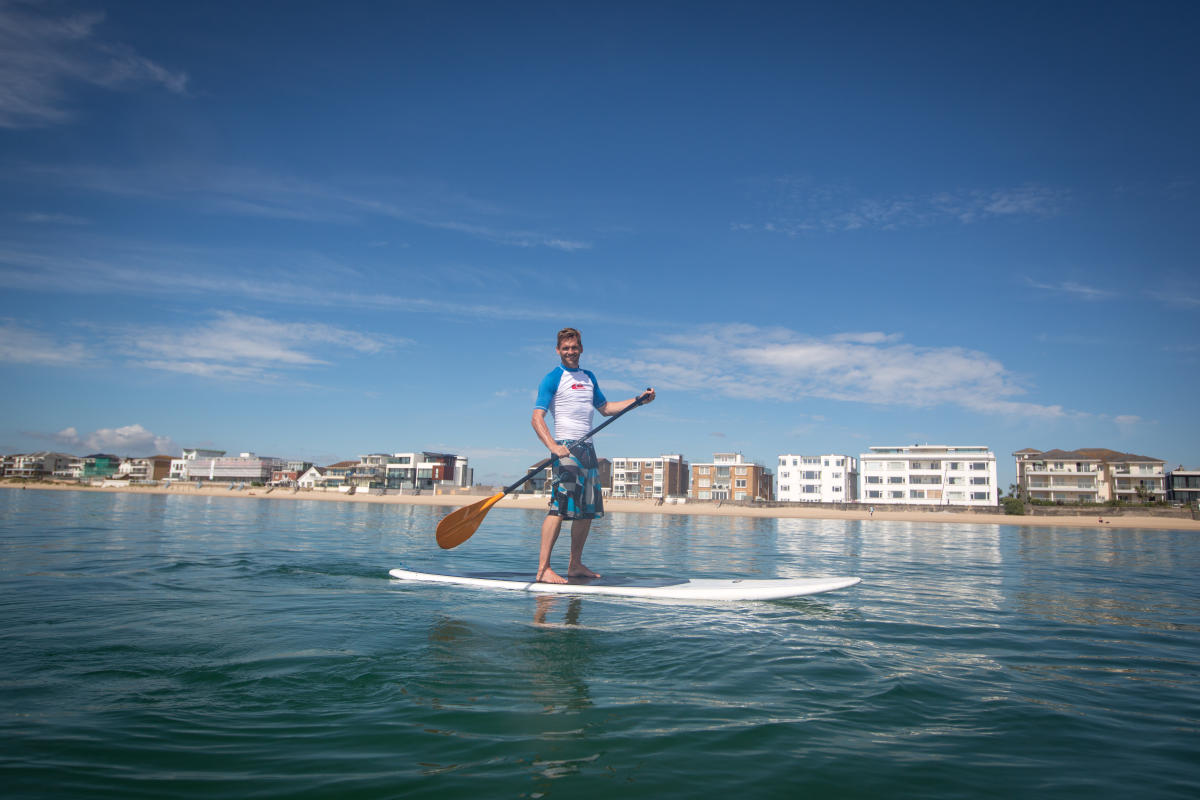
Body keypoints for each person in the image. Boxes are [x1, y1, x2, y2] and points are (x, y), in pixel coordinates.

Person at [532, 327, 654, 584]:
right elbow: (537, 418)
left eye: (574, 347)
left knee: (587, 511)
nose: (570, 352)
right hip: (565, 448)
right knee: (559, 508)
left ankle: (575, 564)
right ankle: (543, 569)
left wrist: (637, 400)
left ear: (581, 349)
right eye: (565, 348)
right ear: (558, 350)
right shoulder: (552, 378)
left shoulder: (589, 378)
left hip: (587, 449)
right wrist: (554, 447)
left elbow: (606, 408)